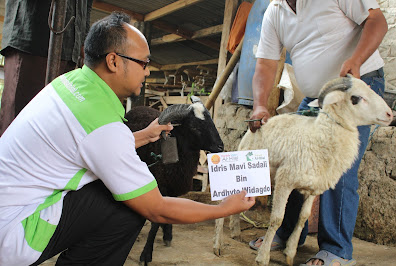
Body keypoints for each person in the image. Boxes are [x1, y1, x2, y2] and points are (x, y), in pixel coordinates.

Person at [0, 12, 256, 266]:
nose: (147, 72)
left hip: (10, 204)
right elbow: (155, 208)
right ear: (113, 61)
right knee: (128, 207)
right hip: (14, 233)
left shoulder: (70, 83)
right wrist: (223, 209)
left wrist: (144, 136)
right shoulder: (102, 124)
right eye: (144, 63)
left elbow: (90, 145)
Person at [248, 0, 387, 265]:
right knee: (296, 159)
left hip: (355, 87)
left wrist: (356, 60)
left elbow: (377, 21)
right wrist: (259, 105)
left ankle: (336, 250)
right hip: (316, 96)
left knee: (336, 163)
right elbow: (265, 64)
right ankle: (287, 233)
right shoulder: (274, 11)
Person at [0, 0, 93, 136]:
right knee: (20, 121)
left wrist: (84, 41)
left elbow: (86, 4)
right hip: (32, 36)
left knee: (53, 126)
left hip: (70, 46)